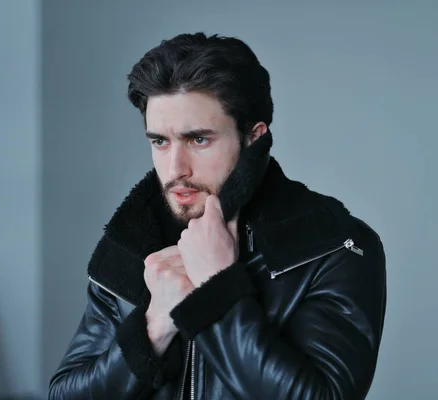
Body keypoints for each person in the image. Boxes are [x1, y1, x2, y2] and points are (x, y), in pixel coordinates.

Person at [49, 32, 387, 400]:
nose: (175, 168)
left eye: (198, 140)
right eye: (160, 141)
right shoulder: (131, 246)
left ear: (253, 138)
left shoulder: (331, 246)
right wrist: (154, 327)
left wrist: (217, 290)